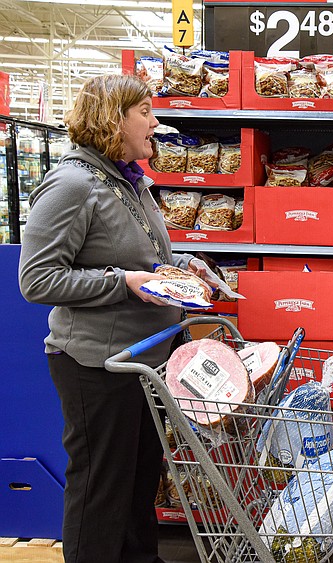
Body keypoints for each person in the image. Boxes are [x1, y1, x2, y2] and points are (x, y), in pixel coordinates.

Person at [18, 74, 214, 563]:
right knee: (101, 491)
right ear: (114, 118)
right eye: (145, 111)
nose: (156, 122)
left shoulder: (130, 181)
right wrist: (121, 282)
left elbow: (140, 256)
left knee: (138, 479)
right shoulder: (71, 185)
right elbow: (37, 281)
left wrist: (181, 268)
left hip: (143, 361)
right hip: (95, 365)